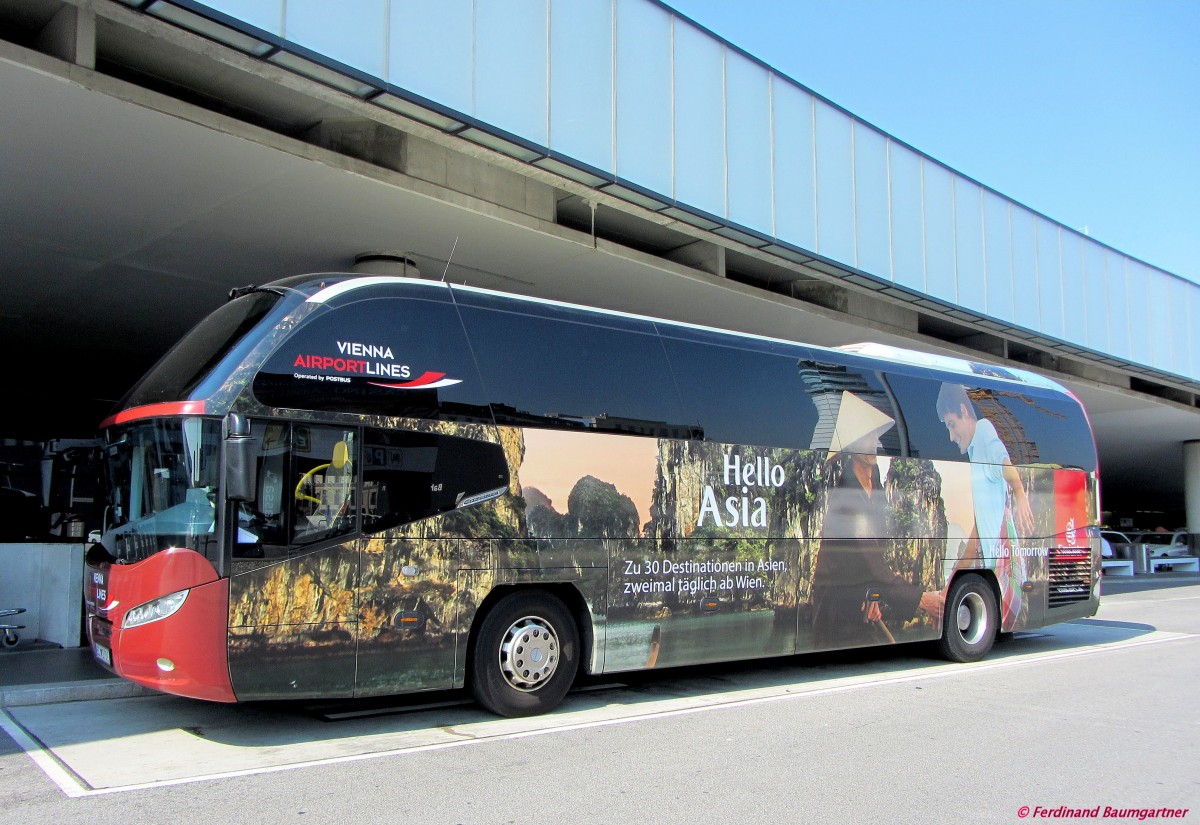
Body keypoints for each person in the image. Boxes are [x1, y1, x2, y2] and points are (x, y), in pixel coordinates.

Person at [811, 392, 943, 649]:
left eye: (873, 435)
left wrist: (873, 592)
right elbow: (866, 555)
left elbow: (872, 558)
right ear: (850, 446)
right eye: (863, 438)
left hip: (859, 598)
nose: (872, 444)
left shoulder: (877, 483)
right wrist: (922, 600)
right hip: (835, 606)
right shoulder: (845, 494)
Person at [936, 383, 1035, 628]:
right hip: (995, 569)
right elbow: (979, 532)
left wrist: (1020, 492)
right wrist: (949, 581)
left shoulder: (983, 431)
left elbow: (1005, 463)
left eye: (951, 424)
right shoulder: (974, 450)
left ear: (964, 410)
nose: (951, 436)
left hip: (1003, 569)